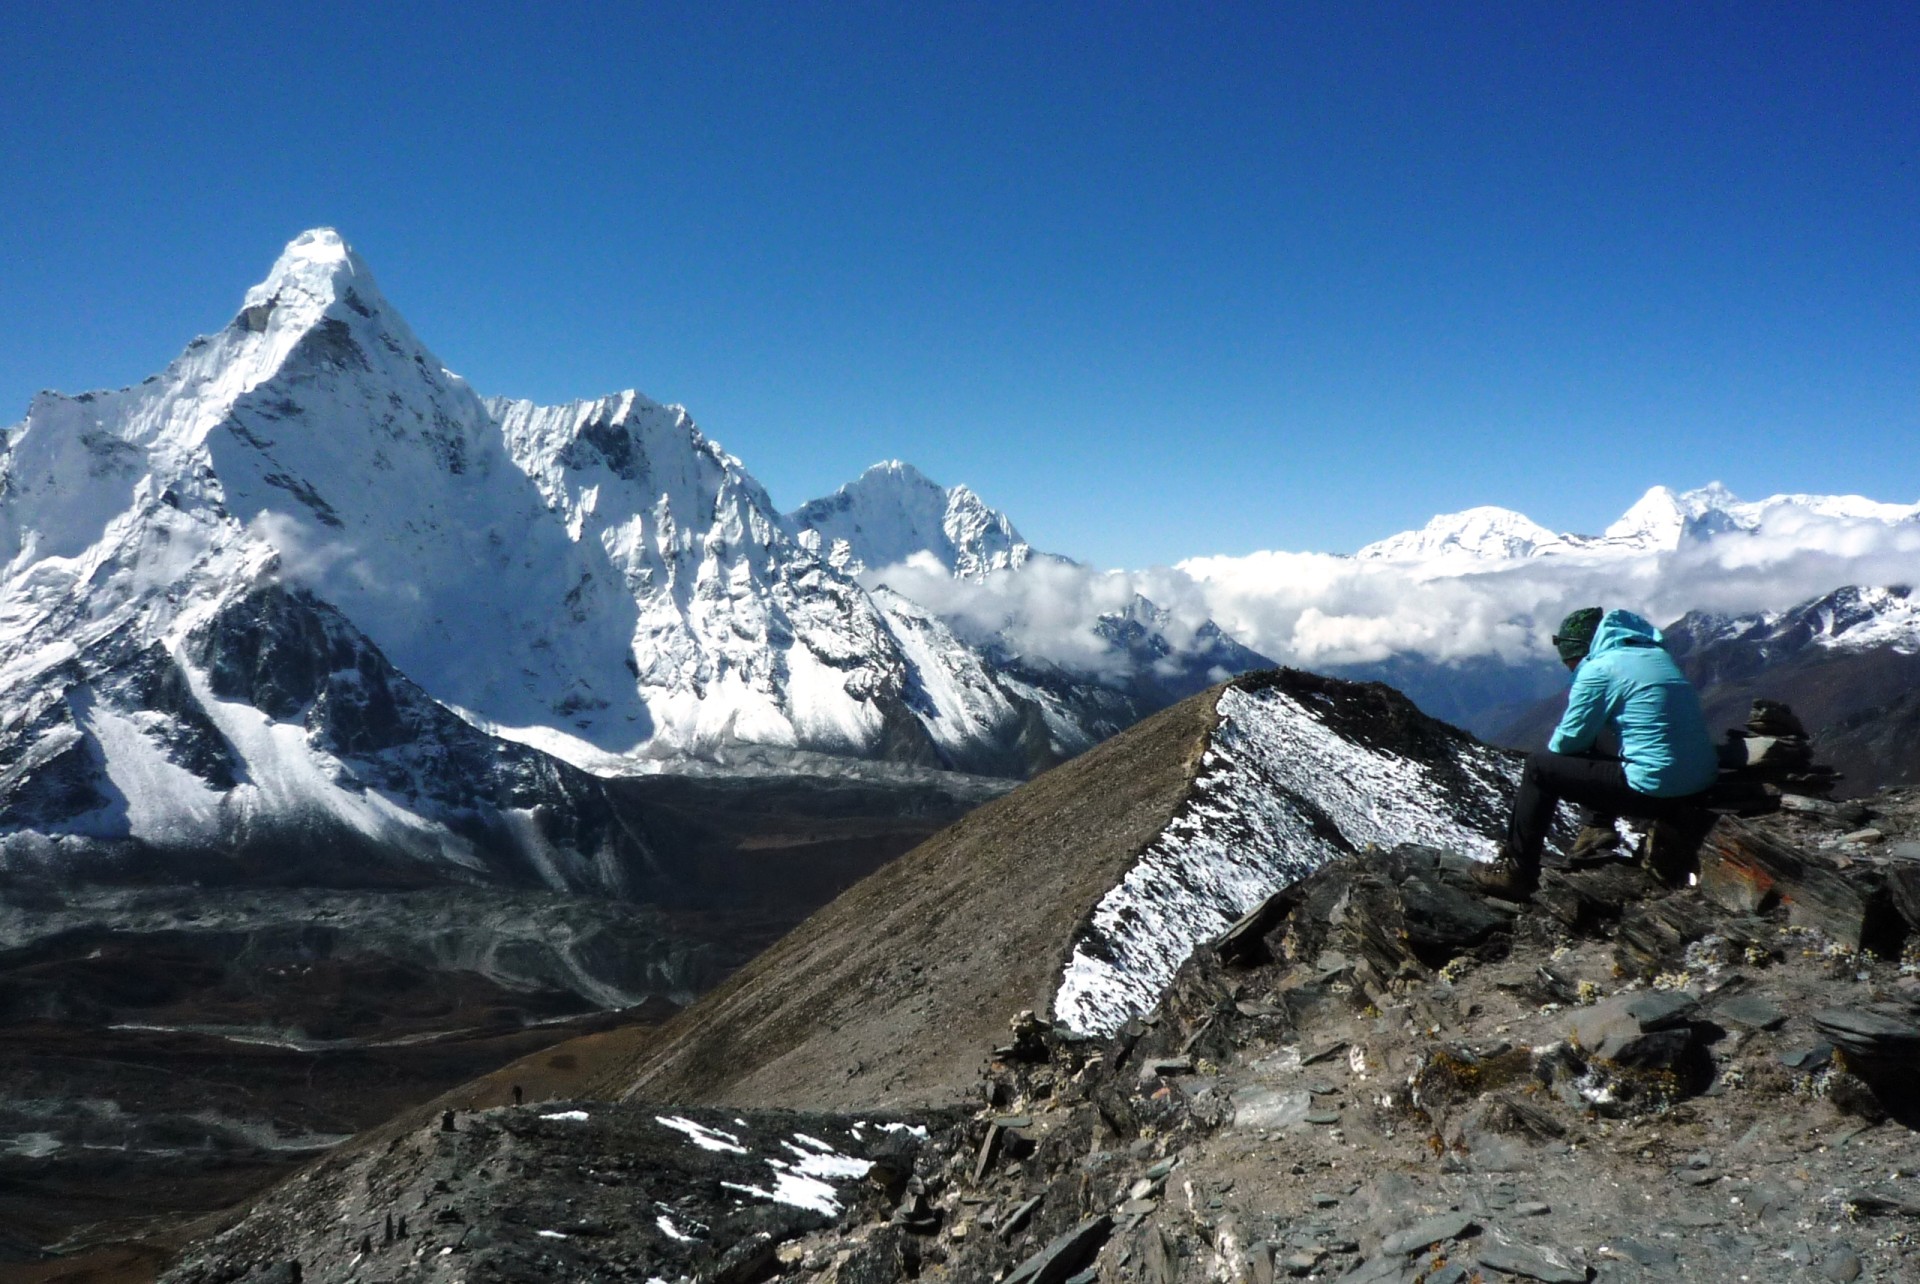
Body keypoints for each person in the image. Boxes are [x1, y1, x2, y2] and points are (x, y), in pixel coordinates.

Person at [1473, 606, 1720, 899]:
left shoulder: (1599, 669)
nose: (1570, 670)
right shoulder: (1656, 657)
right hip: (1700, 783)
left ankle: (1517, 872)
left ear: (1581, 651)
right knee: (1604, 732)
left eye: (1570, 662)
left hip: (1656, 789)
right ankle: (1596, 827)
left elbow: (1566, 744)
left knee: (1539, 767)